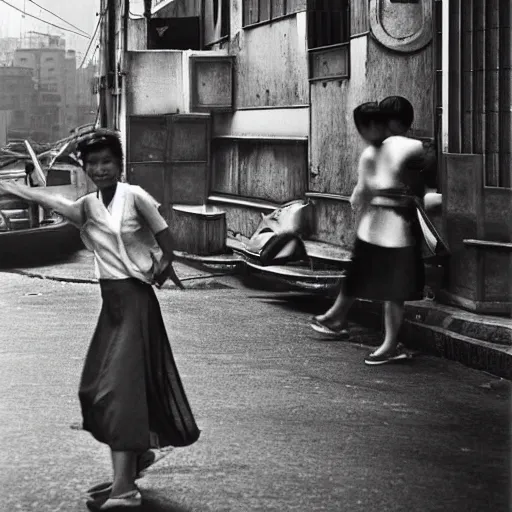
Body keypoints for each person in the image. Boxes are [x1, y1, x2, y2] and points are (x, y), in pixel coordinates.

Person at [0, 129, 200, 509]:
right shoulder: (89, 206)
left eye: (107, 161)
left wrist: (163, 265)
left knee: (119, 392)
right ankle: (136, 457)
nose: (100, 168)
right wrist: (18, 191)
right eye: (92, 163)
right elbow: (55, 202)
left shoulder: (136, 197)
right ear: (85, 167)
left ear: (119, 164)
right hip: (111, 307)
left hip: (136, 302)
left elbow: (167, 240)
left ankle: (124, 488)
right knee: (95, 390)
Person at [310, 99, 427, 365]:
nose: (367, 134)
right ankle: (373, 336)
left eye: (371, 127)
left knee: (391, 288)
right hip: (378, 228)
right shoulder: (379, 153)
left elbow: (366, 194)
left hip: (395, 228)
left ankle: (384, 342)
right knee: (378, 282)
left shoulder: (404, 148)